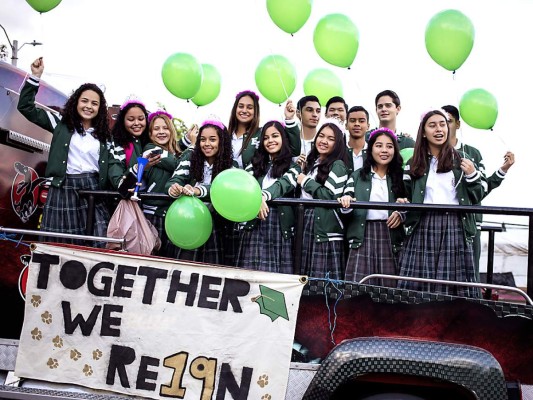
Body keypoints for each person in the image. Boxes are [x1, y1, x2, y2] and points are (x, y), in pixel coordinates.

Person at [17, 57, 114, 246]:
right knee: (59, 244)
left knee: (97, 240)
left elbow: (111, 166)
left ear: (100, 108)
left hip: (92, 189)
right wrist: (35, 77)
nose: (88, 106)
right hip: (63, 188)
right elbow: (25, 107)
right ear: (76, 102)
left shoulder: (104, 136)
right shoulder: (60, 124)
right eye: (84, 101)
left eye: (94, 103)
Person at [398, 109, 484, 298]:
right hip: (422, 224)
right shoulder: (413, 162)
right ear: (423, 132)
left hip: (454, 226)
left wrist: (472, 175)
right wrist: (402, 204)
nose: (439, 129)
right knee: (419, 286)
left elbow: (478, 196)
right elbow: (405, 194)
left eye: (442, 124)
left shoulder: (462, 159)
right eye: (432, 125)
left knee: (454, 287)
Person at [442, 105, 516, 279]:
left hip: (468, 224)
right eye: (440, 122)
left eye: (449, 121)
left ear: (458, 124)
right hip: (437, 224)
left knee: (468, 275)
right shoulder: (428, 154)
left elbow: (481, 190)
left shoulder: (473, 153)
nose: (444, 126)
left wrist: (502, 170)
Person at [338, 128, 406, 287]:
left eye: (389, 146)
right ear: (370, 149)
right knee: (357, 289)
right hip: (363, 235)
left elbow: (410, 204)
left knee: (389, 290)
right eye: (379, 145)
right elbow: (345, 207)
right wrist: (347, 202)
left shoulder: (401, 176)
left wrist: (401, 213)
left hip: (390, 235)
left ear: (395, 150)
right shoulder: (357, 175)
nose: (384, 150)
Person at [237, 120, 301, 273]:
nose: (270, 141)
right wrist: (256, 200)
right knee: (249, 276)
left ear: (283, 139)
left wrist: (262, 197)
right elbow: (245, 185)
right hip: (253, 224)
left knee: (275, 278)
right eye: (266, 138)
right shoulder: (255, 164)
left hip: (278, 226)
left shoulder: (293, 167)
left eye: (275, 136)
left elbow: (283, 185)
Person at [166, 120, 234, 264]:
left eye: (212, 139)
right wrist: (174, 188)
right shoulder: (190, 159)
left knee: (211, 270)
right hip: (188, 224)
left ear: (222, 142)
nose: (207, 144)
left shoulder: (230, 165)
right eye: (202, 140)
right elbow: (173, 180)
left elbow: (221, 190)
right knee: (183, 268)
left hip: (216, 226)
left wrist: (197, 190)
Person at [296, 119, 349, 280]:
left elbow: (329, 197)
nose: (324, 141)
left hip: (325, 230)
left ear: (338, 143)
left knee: (322, 282)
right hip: (305, 222)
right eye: (321, 136)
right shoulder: (313, 163)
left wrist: (305, 181)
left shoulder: (338, 165)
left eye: (331, 139)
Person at [138, 110, 182, 256]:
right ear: (150, 134)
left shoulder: (177, 152)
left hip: (172, 215)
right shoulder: (150, 149)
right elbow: (174, 164)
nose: (161, 132)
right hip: (152, 215)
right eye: (156, 129)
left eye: (165, 128)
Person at [227, 90, 300, 169]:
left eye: (249, 107)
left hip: (253, 180)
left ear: (255, 111)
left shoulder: (262, 134)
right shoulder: (224, 136)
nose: (244, 110)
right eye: (241, 106)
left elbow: (293, 149)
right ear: (235, 109)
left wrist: (289, 119)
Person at [108, 98, 162, 198]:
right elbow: (119, 184)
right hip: (126, 203)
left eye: (141, 119)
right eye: (131, 119)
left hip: (149, 203)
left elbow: (170, 151)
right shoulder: (117, 144)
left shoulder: (150, 140)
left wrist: (186, 141)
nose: (137, 123)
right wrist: (140, 167)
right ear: (122, 121)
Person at [295, 95, 322, 168]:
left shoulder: (324, 142)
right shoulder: (290, 141)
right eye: (310, 110)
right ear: (298, 113)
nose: (315, 115)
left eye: (318, 111)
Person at [345, 105, 371, 172]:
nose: (357, 124)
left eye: (361, 121)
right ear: (346, 126)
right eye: (352, 121)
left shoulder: (373, 152)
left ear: (368, 126)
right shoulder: (339, 151)